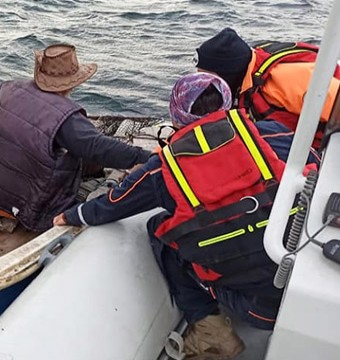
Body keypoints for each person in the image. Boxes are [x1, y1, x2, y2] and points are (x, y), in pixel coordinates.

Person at [53, 73, 319, 359]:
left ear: (176, 115)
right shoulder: (275, 135)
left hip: (256, 310)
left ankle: (210, 333)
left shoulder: (162, 169)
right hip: (306, 289)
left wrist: (71, 215)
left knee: (159, 229)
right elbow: (316, 170)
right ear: (227, 104)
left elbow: (112, 205)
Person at [0, 43, 151, 232]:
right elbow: (98, 147)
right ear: (73, 81)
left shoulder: (11, 89)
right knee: (106, 171)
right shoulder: (66, 119)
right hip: (36, 208)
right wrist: (145, 158)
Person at [194, 27, 340, 148]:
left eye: (208, 79)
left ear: (226, 73)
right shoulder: (245, 79)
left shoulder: (285, 79)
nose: (205, 86)